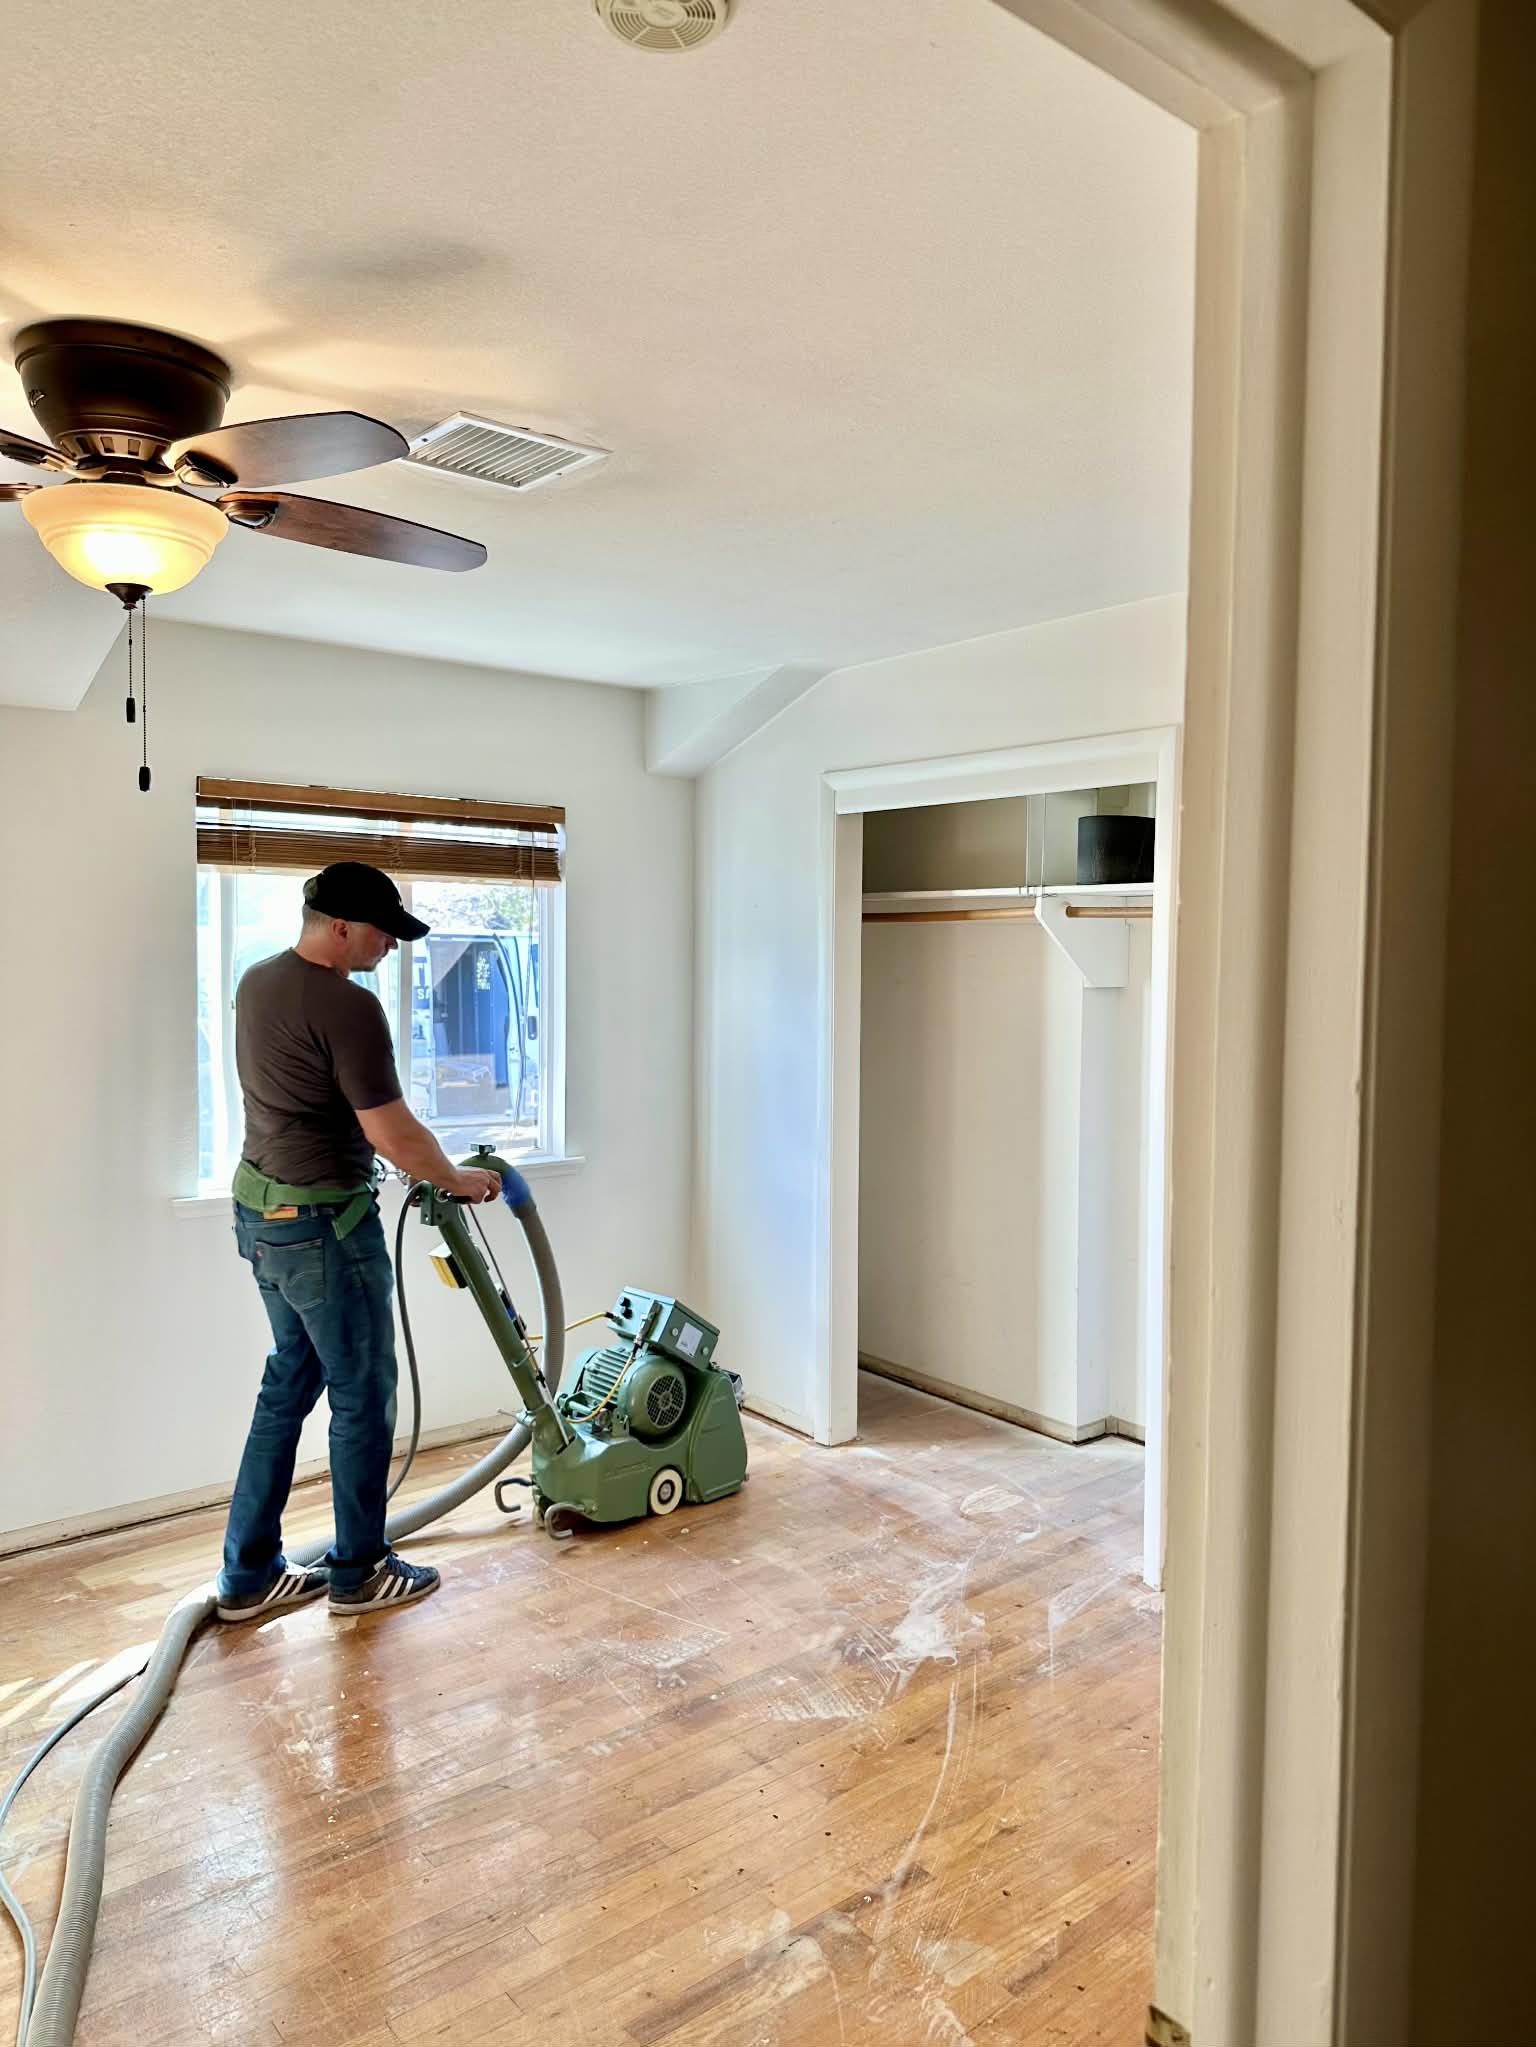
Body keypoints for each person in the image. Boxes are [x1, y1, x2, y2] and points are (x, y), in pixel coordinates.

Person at [215, 861, 501, 1623]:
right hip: (326, 1232)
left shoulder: (256, 983)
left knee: (288, 1385)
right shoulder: (349, 1007)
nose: (392, 947)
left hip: (261, 1219)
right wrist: (458, 1179)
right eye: (383, 933)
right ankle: (361, 1571)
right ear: (340, 925)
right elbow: (393, 1132)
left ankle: (246, 1575)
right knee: (363, 1395)